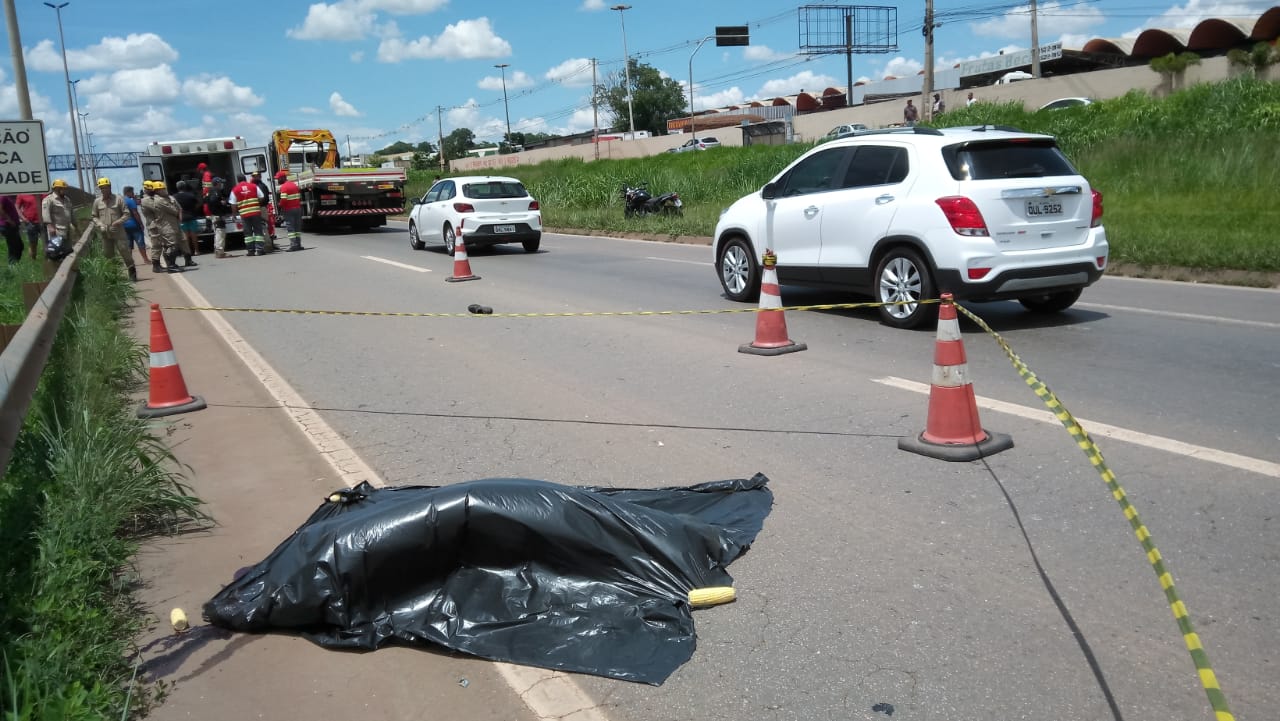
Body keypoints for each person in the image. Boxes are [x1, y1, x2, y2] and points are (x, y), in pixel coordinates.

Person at [90, 178, 137, 281]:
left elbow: (127, 214)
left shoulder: (118, 199)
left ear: (110, 187)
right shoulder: (97, 202)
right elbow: (94, 216)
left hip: (118, 231)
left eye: (106, 187)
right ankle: (113, 277)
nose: (104, 190)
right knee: (108, 255)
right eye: (102, 188)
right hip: (105, 233)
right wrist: (100, 224)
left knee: (125, 252)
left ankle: (132, 273)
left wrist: (118, 222)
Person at [140, 181, 182, 273]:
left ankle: (166, 264)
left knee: (165, 245)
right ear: (146, 189)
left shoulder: (153, 198)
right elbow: (157, 208)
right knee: (156, 246)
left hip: (159, 224)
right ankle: (156, 265)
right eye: (150, 189)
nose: (153, 191)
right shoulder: (146, 200)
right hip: (154, 226)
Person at [230, 173, 267, 256]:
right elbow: (262, 197)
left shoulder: (235, 189)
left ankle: (251, 251)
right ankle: (260, 250)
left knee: (248, 233)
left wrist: (234, 214)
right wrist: (256, 203)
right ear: (245, 179)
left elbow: (233, 204)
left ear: (238, 180)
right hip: (255, 212)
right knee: (258, 231)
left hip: (244, 214)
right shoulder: (254, 186)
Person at [42, 178, 77, 248]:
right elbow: (45, 214)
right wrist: (50, 227)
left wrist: (75, 224)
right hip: (57, 230)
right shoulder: (49, 199)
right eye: (63, 189)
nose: (65, 191)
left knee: (68, 249)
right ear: (57, 189)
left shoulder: (67, 199)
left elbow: (71, 213)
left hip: (67, 229)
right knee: (57, 250)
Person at [275, 170, 303, 252]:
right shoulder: (294, 185)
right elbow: (299, 197)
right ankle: (298, 244)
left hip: (289, 209)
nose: (278, 180)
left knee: (290, 228)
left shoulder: (284, 187)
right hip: (297, 208)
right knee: (297, 227)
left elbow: (284, 200)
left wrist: (279, 205)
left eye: (278, 179)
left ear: (283, 178)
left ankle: (293, 245)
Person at [174, 180, 203, 258]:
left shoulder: (174, 197)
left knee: (185, 236)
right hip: (192, 216)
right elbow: (199, 203)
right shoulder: (190, 195)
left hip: (182, 218)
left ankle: (188, 252)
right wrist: (194, 209)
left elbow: (173, 207)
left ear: (177, 188)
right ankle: (197, 251)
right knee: (194, 235)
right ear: (185, 187)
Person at [204, 176, 231, 258]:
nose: (222, 184)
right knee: (220, 233)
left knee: (218, 233)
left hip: (215, 215)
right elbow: (213, 200)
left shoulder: (211, 191)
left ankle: (218, 250)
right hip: (218, 215)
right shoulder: (215, 191)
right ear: (217, 183)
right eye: (221, 183)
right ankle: (220, 252)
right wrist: (222, 203)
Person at [251, 170, 276, 251]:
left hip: (261, 208)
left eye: (256, 175)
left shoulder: (261, 186)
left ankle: (267, 245)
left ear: (260, 176)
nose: (255, 177)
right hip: (257, 208)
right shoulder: (253, 186)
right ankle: (264, 245)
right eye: (254, 176)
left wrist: (258, 204)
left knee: (263, 226)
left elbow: (265, 198)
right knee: (259, 227)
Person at [122, 185, 148, 265]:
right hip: (134, 225)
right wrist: (141, 224)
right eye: (132, 192)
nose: (133, 193)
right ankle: (145, 259)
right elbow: (135, 213)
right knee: (140, 243)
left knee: (129, 245)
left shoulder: (120, 201)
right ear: (128, 192)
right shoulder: (130, 201)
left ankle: (129, 262)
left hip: (124, 226)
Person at [15, 193, 43, 260]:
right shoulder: (22, 194)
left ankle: (48, 260)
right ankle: (33, 260)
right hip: (30, 223)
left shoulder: (43, 193)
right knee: (33, 243)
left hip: (43, 222)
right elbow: (17, 207)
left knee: (47, 242)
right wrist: (23, 219)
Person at [1, 195, 21, 265]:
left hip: (12, 225)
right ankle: (12, 265)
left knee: (19, 246)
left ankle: (15, 263)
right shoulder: (1, 196)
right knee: (13, 247)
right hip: (7, 225)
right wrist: (9, 220)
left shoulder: (6, 196)